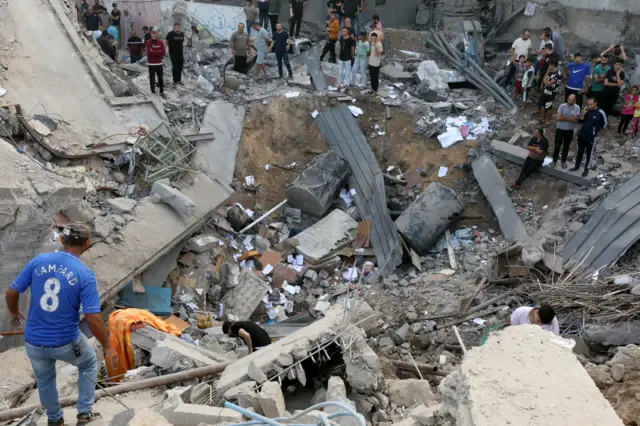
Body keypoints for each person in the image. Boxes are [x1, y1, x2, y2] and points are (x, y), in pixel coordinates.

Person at [5, 222, 118, 426]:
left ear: (62, 239)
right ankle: (84, 414)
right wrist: (108, 345)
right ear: (88, 243)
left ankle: (55, 420)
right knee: (89, 363)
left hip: (33, 341)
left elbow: (12, 292)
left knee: (45, 380)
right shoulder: (85, 274)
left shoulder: (38, 261)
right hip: (65, 341)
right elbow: (93, 318)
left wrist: (14, 312)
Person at [569, 97, 607, 177]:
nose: (589, 106)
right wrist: (583, 113)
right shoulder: (586, 110)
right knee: (580, 151)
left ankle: (586, 169)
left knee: (589, 154)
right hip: (582, 134)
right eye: (588, 104)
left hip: (591, 137)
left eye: (591, 104)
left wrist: (596, 129)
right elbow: (579, 121)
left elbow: (605, 123)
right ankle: (576, 166)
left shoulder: (600, 112)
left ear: (595, 103)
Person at [552, 94, 580, 168]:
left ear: (575, 100)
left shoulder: (577, 107)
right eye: (569, 100)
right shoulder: (562, 106)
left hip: (569, 130)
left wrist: (563, 116)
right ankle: (554, 161)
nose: (570, 101)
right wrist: (570, 118)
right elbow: (558, 118)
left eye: (572, 100)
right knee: (557, 145)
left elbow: (575, 120)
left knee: (566, 146)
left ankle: (563, 161)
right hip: (560, 129)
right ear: (567, 98)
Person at [538, 58, 562, 125]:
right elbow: (545, 78)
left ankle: (548, 120)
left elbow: (549, 83)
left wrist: (546, 81)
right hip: (546, 90)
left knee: (549, 106)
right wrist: (545, 81)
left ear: (553, 65)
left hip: (552, 92)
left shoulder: (558, 73)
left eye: (549, 65)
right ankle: (542, 119)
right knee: (542, 104)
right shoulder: (550, 71)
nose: (549, 66)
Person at [146, 29, 166, 96]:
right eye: (152, 33)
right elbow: (149, 52)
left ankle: (161, 92)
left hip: (159, 63)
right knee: (152, 79)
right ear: (151, 34)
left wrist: (154, 51)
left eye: (155, 33)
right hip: (151, 64)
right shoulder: (148, 42)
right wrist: (159, 52)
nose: (154, 35)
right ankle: (153, 92)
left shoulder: (161, 42)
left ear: (157, 34)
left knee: (160, 78)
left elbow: (163, 52)